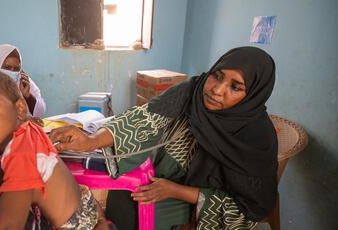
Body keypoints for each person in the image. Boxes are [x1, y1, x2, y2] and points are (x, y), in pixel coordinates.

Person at [50, 46, 278, 229]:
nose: (217, 90)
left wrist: (173, 190)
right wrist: (90, 141)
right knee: (122, 195)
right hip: (156, 174)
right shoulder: (193, 91)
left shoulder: (256, 139)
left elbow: (248, 208)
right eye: (216, 76)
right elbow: (143, 118)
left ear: (253, 96)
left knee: (146, 214)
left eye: (235, 87)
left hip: (194, 197)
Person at [0, 69, 107, 229]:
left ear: (19, 109)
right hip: (91, 212)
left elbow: (10, 224)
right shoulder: (28, 130)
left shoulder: (21, 154)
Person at [0, 44, 46, 118]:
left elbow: (40, 113)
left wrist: (28, 96)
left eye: (16, 69)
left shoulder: (22, 81)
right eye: (7, 67)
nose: (12, 72)